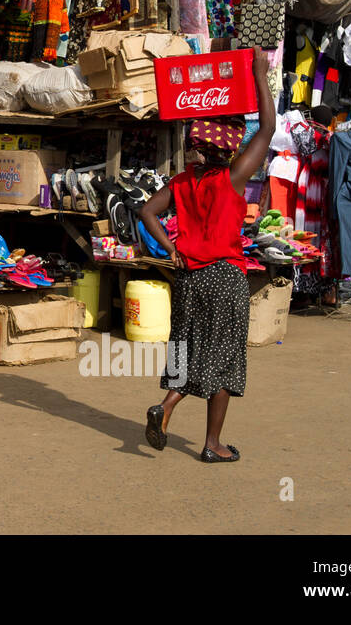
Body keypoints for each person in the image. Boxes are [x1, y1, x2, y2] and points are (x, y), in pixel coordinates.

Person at [139, 48, 275, 463]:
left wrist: (171, 246)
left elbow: (146, 211)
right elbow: (268, 129)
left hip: (188, 277)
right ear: (229, 147)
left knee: (185, 348)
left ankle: (166, 405)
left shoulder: (182, 181)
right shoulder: (233, 178)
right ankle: (212, 444)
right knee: (224, 359)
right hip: (224, 277)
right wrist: (259, 73)